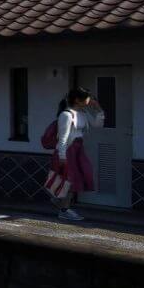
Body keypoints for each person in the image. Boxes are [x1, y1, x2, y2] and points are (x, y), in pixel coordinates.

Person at [49, 86, 103, 222]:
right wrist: (62, 156)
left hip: (78, 150)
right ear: (78, 100)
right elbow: (63, 138)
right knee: (70, 181)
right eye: (87, 98)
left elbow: (97, 124)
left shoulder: (83, 113)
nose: (90, 100)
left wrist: (98, 109)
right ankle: (64, 210)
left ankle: (58, 200)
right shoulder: (66, 115)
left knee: (83, 175)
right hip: (67, 150)